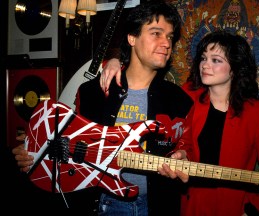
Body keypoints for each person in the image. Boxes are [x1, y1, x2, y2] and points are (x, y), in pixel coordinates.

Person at [12, 1, 193, 215]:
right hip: (105, 204)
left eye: (170, 37)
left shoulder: (179, 100)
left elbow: (187, 146)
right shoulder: (92, 93)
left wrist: (184, 156)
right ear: (131, 38)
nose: (166, 43)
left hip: (159, 206)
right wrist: (34, 152)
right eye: (156, 33)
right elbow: (69, 143)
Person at [100, 31, 259, 216]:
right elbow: (146, 82)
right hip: (188, 206)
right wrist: (116, 62)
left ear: (236, 68)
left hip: (233, 208)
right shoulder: (187, 97)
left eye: (216, 60)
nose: (205, 65)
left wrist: (252, 211)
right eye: (204, 58)